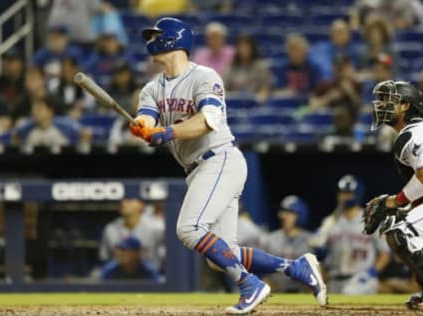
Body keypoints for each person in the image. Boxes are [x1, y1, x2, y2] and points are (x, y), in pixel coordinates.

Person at [129, 17, 327, 314]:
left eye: (155, 35)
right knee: (221, 255)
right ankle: (295, 268)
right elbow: (148, 117)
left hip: (219, 159)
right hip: (197, 169)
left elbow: (208, 121)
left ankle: (250, 284)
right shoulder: (151, 88)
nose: (150, 41)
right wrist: (143, 127)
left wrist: (166, 133)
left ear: (172, 39)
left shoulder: (205, 76)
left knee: (189, 228)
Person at [362, 80, 423, 311]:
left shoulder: (416, 132)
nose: (381, 105)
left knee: (403, 231)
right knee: (402, 225)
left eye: (387, 100)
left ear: (405, 106)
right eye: (380, 99)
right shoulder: (417, 131)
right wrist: (399, 205)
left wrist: (395, 201)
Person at [314, 175, 390, 295]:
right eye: (342, 192)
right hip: (334, 280)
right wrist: (319, 250)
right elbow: (318, 254)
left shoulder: (371, 219)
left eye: (348, 193)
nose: (344, 196)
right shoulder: (329, 223)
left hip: (360, 279)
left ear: (357, 194)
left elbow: (385, 254)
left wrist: (370, 273)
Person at [259, 195, 313, 293]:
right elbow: (262, 270)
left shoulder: (311, 241)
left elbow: (321, 270)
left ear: (300, 215)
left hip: (303, 294)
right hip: (276, 292)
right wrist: (267, 283)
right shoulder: (270, 239)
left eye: (290, 213)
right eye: (283, 212)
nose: (284, 216)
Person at [100, 198, 164, 269]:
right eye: (122, 200)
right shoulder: (110, 229)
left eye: (129, 200)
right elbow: (105, 258)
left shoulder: (158, 227)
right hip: (119, 276)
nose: (123, 203)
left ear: (141, 205)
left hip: (150, 276)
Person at [14, 95, 88, 149]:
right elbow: (15, 136)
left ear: (50, 111)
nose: (35, 112)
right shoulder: (27, 128)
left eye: (39, 109)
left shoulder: (65, 125)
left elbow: (85, 133)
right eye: (33, 109)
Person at [223, 34, 271, 102]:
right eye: (241, 47)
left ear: (252, 48)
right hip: (235, 103)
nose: (244, 50)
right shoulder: (231, 67)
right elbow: (224, 87)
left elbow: (266, 86)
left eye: (246, 47)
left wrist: (262, 95)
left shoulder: (261, 65)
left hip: (255, 103)